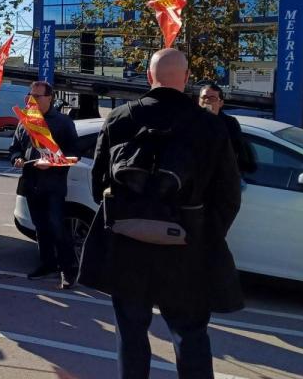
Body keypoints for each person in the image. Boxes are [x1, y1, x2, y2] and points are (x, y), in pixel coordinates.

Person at [89, 49, 242, 379]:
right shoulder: (210, 126)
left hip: (128, 243)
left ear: (148, 77)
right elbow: (228, 195)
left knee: (130, 332)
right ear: (186, 79)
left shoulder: (119, 119)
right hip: (186, 244)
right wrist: (203, 232)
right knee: (189, 333)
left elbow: (98, 184)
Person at [9, 81, 79, 289]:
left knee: (58, 228)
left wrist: (52, 164)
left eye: (38, 96)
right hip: (31, 183)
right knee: (40, 228)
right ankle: (47, 264)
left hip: (53, 185)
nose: (33, 100)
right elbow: (14, 149)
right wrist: (17, 159)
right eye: (31, 96)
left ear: (50, 97)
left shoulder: (63, 122)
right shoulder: (25, 122)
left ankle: (68, 270)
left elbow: (74, 153)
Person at [198, 84, 256, 174]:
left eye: (212, 98)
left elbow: (237, 150)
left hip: (223, 175)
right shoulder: (191, 121)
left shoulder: (230, 123)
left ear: (220, 103)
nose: (207, 101)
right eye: (204, 97)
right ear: (199, 101)